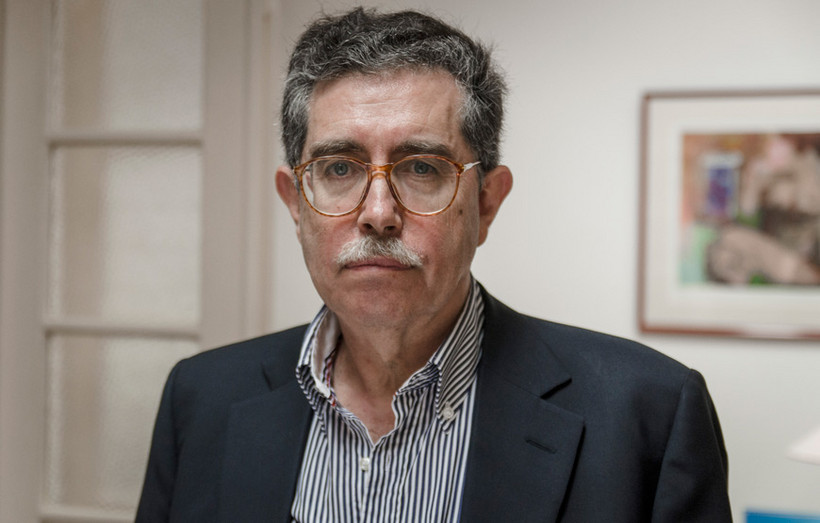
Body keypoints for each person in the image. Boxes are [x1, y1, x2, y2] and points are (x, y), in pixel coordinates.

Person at [136, 7, 732, 522]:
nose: (378, 214)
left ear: (487, 202)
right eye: (339, 168)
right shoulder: (202, 398)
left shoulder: (646, 415)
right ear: (296, 203)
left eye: (422, 168)